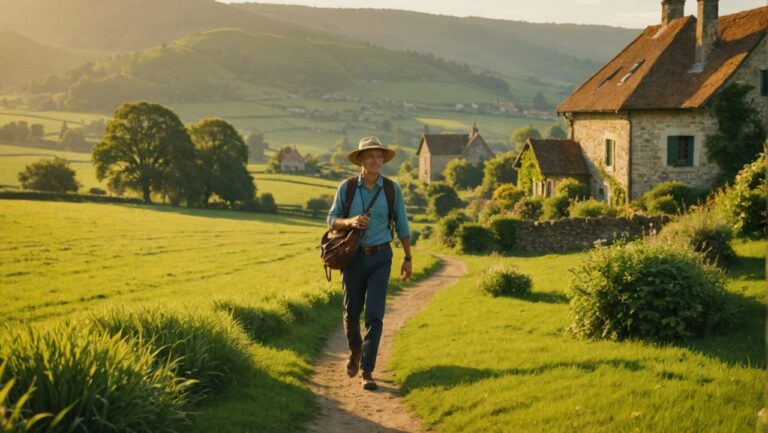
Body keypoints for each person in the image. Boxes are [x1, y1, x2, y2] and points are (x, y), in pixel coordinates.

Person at [327, 136, 411, 391]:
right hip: (352, 257)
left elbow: (403, 225)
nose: (376, 160)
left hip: (381, 257)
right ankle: (355, 350)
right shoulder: (347, 187)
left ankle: (367, 369)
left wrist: (408, 258)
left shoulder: (392, 189)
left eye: (379, 156)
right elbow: (332, 219)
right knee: (351, 313)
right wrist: (350, 221)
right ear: (361, 160)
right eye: (371, 156)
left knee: (375, 315)